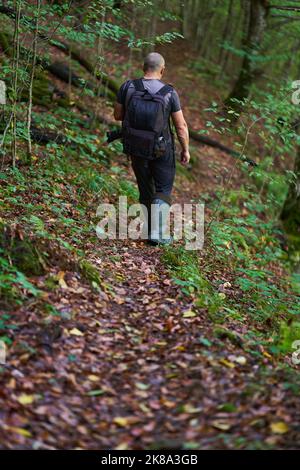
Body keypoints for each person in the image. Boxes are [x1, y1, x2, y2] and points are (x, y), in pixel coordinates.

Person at [113, 52, 190, 244]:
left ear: (143, 67)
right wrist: (185, 149)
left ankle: (149, 231)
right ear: (162, 70)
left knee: (145, 189)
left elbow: (117, 115)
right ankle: (158, 233)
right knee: (162, 188)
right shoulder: (169, 92)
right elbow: (181, 126)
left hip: (136, 147)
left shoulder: (128, 87)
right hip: (162, 148)